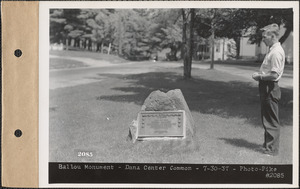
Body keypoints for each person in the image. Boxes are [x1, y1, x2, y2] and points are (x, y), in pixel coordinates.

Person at [252, 23, 285, 156]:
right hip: (266, 87)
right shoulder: (272, 49)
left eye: (265, 36)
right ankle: (268, 147)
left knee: (271, 120)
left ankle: (271, 151)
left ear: (272, 36)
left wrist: (259, 76)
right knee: (267, 118)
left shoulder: (276, 52)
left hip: (270, 88)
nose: (263, 39)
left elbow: (274, 75)